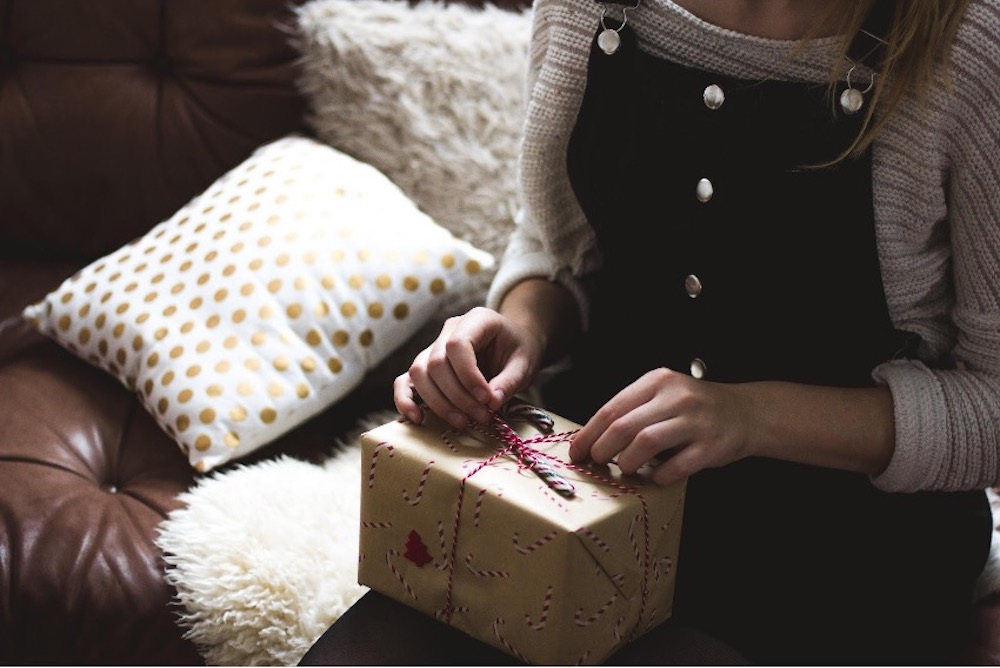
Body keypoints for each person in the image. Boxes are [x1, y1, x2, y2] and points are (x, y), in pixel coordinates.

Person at [393, 0, 1000, 664]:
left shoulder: (972, 39)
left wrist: (749, 415)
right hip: (582, 501)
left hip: (845, 555)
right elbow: (553, 238)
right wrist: (523, 327)